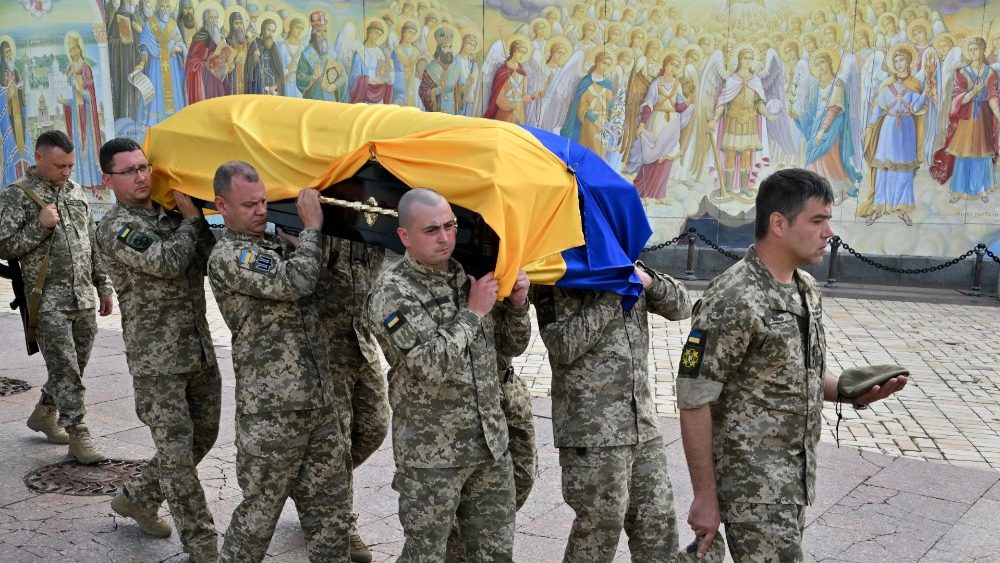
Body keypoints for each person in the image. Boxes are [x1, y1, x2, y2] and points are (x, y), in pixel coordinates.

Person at [678, 168, 908, 562]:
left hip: (793, 481)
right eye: (817, 220)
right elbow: (694, 397)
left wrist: (850, 391)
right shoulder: (736, 297)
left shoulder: (806, 289)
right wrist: (704, 496)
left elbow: (803, 375)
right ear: (779, 223)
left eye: (828, 220)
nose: (829, 231)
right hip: (751, 485)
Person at [366, 188, 529, 561]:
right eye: (431, 230)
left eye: (449, 226)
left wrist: (518, 305)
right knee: (426, 554)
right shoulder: (392, 293)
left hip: (489, 445)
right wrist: (472, 313)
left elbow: (511, 347)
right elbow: (428, 366)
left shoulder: (467, 276)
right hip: (432, 456)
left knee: (494, 553)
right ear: (404, 236)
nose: (444, 237)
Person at [208, 161, 350, 562]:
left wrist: (301, 243)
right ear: (222, 204)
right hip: (273, 411)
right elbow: (296, 282)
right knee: (259, 515)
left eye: (264, 201)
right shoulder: (231, 256)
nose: (260, 210)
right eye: (249, 204)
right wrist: (311, 230)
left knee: (331, 514)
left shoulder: (276, 247)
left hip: (318, 402)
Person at [95, 138, 220, 562]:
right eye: (129, 171)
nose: (141, 176)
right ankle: (202, 545)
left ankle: (136, 496)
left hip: (198, 348)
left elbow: (205, 257)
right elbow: (167, 262)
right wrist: (191, 221)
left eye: (144, 167)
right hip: (157, 361)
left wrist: (198, 220)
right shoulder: (116, 228)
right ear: (108, 179)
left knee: (205, 435)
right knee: (178, 457)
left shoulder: (168, 216)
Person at [530, 262, 691, 561]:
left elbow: (682, 306)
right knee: (597, 535)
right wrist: (610, 295)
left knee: (658, 528)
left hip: (642, 424)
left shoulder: (628, 265)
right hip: (593, 434)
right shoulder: (557, 275)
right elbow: (564, 345)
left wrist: (649, 281)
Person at [0, 130, 113, 463]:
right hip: (46, 300)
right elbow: (3, 246)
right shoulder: (17, 196)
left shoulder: (76, 191)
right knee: (66, 369)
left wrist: (103, 284)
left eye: (70, 165)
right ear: (38, 158)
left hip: (82, 297)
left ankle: (44, 413)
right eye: (59, 165)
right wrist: (39, 225)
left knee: (75, 365)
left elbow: (90, 241)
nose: (66, 172)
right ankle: (79, 434)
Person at [308, 234, 389, 563]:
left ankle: (315, 487)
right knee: (337, 444)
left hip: (361, 341)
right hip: (325, 346)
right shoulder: (324, 218)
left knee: (375, 427)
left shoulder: (370, 220)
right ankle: (340, 524)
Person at [859, 45, 931, 226]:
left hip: (907, 130)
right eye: (896, 61)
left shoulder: (914, 85)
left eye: (902, 60)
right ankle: (879, 207)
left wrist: (927, 93)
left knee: (904, 169)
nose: (899, 64)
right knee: (885, 167)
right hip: (888, 129)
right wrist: (870, 127)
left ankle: (902, 208)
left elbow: (916, 108)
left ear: (909, 62)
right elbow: (878, 109)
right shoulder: (887, 86)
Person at [930, 36, 1000, 204]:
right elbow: (956, 98)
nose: (972, 52)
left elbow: (993, 96)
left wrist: (998, 113)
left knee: (982, 152)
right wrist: (973, 93)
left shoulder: (990, 72)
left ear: (983, 50)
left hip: (983, 117)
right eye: (969, 49)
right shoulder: (962, 72)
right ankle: (959, 189)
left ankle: (981, 188)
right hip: (966, 119)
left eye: (975, 48)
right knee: (963, 153)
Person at [135, 0, 187, 126]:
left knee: (173, 93)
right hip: (155, 65)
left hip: (172, 64)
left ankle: (174, 120)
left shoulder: (173, 25)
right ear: (157, 8)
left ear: (170, 8)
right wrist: (142, 61)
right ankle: (153, 121)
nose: (164, 9)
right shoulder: (150, 23)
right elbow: (144, 46)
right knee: (156, 90)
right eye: (162, 6)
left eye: (167, 6)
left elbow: (181, 44)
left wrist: (178, 48)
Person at [184, 7, 231, 104]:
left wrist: (220, 43)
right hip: (204, 79)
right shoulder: (199, 37)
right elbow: (191, 61)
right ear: (205, 19)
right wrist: (205, 63)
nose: (214, 21)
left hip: (219, 79)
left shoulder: (220, 37)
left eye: (215, 18)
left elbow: (227, 58)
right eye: (211, 18)